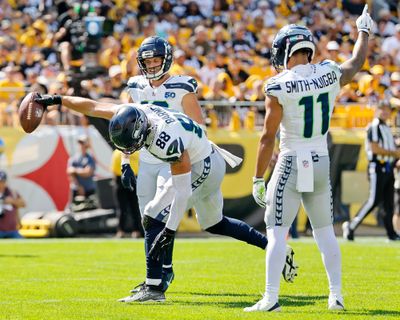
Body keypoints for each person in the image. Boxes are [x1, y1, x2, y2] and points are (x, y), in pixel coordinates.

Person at [33, 95, 299, 303]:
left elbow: (181, 192)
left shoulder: (165, 139)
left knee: (152, 214)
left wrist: (170, 231)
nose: (130, 151)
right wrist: (57, 100)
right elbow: (92, 106)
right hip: (206, 157)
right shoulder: (137, 113)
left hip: (201, 166)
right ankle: (276, 249)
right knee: (215, 223)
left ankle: (154, 286)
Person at [246, 6, 373, 312]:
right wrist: (364, 31)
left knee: (276, 229)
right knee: (325, 231)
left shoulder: (278, 85)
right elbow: (356, 62)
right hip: (320, 160)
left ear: (286, 50)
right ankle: (336, 295)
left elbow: (267, 137)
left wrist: (257, 177)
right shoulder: (328, 73)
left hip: (291, 159)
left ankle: (271, 298)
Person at [124, 36, 205, 292]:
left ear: (167, 59)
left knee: (159, 215)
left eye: (156, 59)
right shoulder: (136, 86)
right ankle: (160, 273)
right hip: (146, 160)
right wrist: (126, 161)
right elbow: (125, 123)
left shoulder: (182, 85)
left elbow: (199, 127)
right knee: (147, 220)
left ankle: (158, 277)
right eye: (147, 60)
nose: (151, 65)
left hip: (171, 161)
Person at [342, 101, 400, 241]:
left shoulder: (386, 127)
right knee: (373, 200)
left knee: (388, 203)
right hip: (378, 167)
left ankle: (391, 233)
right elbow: (375, 149)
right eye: (383, 109)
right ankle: (351, 226)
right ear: (377, 110)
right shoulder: (374, 126)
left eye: (388, 110)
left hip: (388, 168)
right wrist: (395, 153)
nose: (386, 112)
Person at [110, 149, 143, 238]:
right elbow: (114, 170)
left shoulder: (136, 152)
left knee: (135, 207)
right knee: (122, 208)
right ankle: (121, 230)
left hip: (133, 179)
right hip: (119, 180)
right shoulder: (117, 153)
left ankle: (136, 230)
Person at [67, 135, 97, 204]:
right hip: (77, 191)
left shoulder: (90, 158)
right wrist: (79, 187)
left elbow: (88, 173)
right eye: (80, 143)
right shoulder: (73, 158)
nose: (81, 145)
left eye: (83, 143)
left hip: (89, 191)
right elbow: (70, 173)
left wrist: (75, 170)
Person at [0, 170, 26, 239]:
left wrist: (12, 201)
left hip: (12, 230)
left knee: (22, 244)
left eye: (2, 182)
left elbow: (23, 204)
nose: (0, 184)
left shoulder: (12, 193)